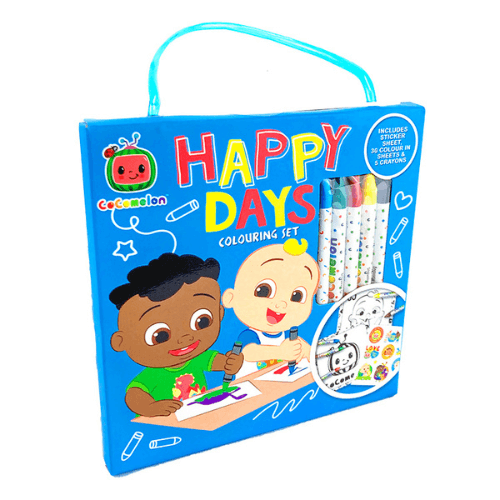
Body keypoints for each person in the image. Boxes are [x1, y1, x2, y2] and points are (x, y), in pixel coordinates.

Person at [109, 253, 243, 417]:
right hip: (161, 424)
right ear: (121, 342)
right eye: (160, 336)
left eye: (202, 321)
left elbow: (222, 363)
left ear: (219, 313)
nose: (185, 338)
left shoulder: (196, 359)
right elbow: (134, 394)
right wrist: (150, 408)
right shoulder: (153, 374)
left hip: (195, 418)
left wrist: (232, 363)